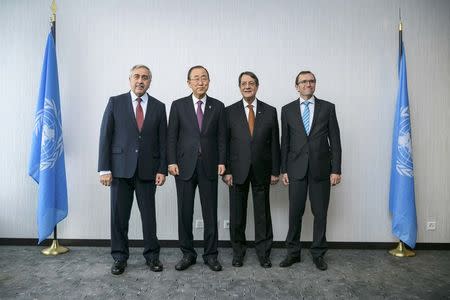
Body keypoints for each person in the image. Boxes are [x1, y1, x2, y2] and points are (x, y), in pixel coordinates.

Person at [98, 64, 167, 275]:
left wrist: (162, 169)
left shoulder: (159, 106)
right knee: (119, 217)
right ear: (129, 80)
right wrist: (104, 169)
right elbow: (105, 136)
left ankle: (152, 256)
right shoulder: (115, 102)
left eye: (145, 77)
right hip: (119, 170)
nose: (140, 80)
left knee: (149, 217)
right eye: (136, 76)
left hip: (148, 170)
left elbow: (163, 142)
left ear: (150, 82)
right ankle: (119, 257)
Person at [279, 70, 342, 271]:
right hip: (295, 169)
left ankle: (318, 254)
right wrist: (284, 170)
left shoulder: (328, 108)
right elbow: (285, 142)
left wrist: (336, 169)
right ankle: (293, 253)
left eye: (311, 81)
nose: (308, 84)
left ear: (315, 85)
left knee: (320, 213)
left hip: (321, 170)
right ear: (296, 86)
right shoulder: (287, 110)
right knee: (295, 213)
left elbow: (336, 141)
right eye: (304, 81)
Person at [167, 65, 226, 271]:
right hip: (183, 167)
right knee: (184, 212)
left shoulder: (218, 106)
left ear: (209, 81)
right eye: (196, 79)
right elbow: (171, 136)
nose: (200, 82)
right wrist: (171, 161)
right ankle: (188, 254)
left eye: (204, 78)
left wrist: (222, 161)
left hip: (209, 165)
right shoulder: (178, 105)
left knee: (210, 212)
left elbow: (221, 138)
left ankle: (211, 255)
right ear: (189, 82)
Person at [223, 71, 280, 268]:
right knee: (237, 215)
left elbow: (275, 144)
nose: (247, 86)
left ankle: (264, 253)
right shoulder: (229, 111)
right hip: (236, 171)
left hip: (262, 170)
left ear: (257, 86)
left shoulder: (270, 111)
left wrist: (275, 170)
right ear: (239, 87)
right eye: (244, 83)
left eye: (251, 83)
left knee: (263, 214)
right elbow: (225, 143)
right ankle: (238, 253)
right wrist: (226, 171)